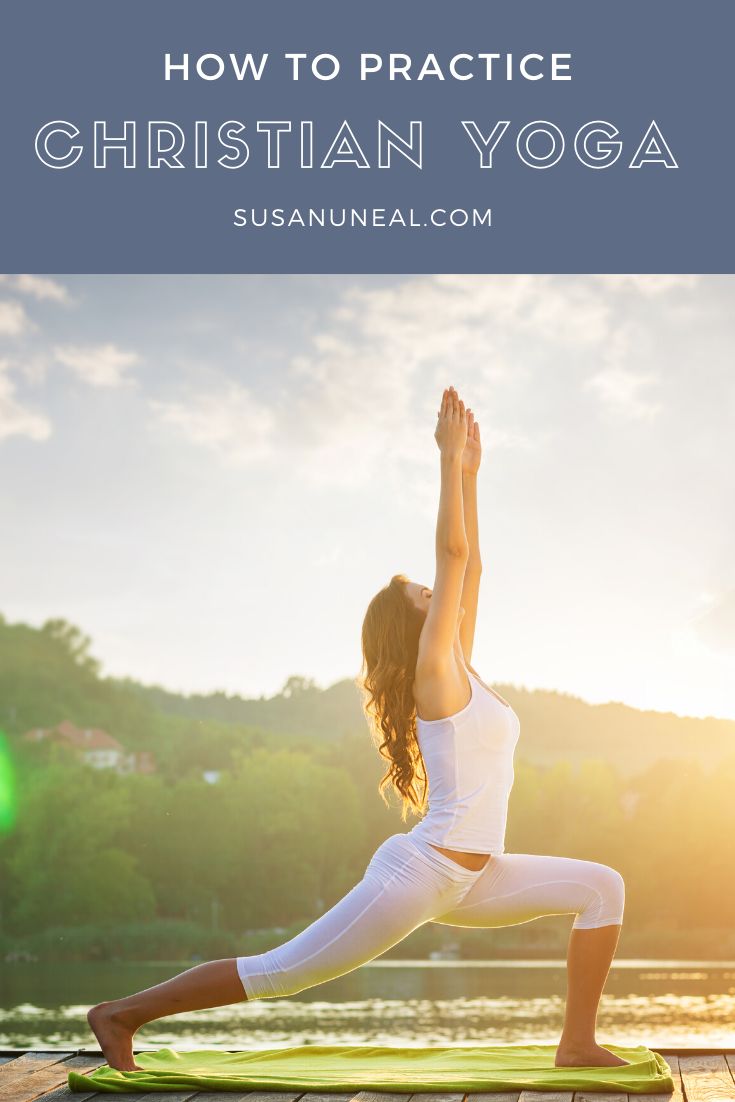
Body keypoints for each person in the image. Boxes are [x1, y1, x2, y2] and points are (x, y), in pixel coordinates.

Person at [87, 385, 627, 1072]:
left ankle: (575, 1044)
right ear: (412, 626)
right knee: (281, 970)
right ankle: (120, 1013)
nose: (439, 595)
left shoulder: (463, 665)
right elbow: (454, 557)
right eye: (422, 595)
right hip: (422, 872)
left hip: (476, 874)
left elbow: (473, 566)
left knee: (601, 886)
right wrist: (443, 461)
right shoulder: (436, 674)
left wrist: (471, 476)